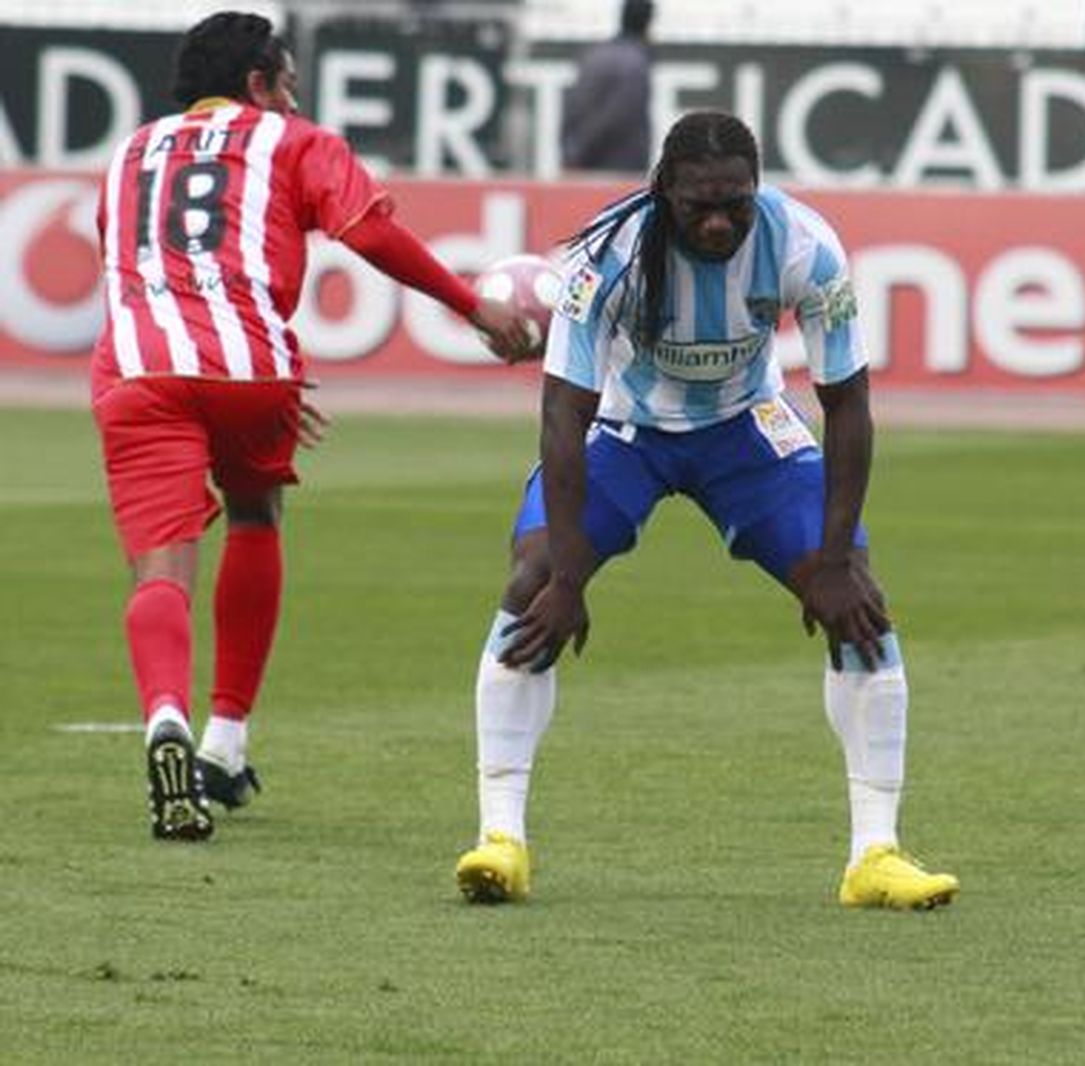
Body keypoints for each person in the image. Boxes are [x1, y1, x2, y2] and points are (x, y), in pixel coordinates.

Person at [453, 109, 959, 911]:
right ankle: (500, 839)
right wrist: (572, 579)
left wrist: (830, 561)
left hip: (743, 429)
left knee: (858, 597)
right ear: (664, 192)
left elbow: (849, 404)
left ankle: (876, 854)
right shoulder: (605, 258)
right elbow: (562, 414)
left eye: (737, 203)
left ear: (757, 191)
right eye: (699, 206)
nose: (720, 221)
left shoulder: (804, 247)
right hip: (627, 429)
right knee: (537, 577)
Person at [92, 11, 531, 841]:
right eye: (287, 84)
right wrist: (474, 306)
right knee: (256, 513)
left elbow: (142, 269)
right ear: (258, 83)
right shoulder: (291, 141)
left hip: (137, 372)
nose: (292, 99)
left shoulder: (126, 154)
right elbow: (368, 230)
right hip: (253, 371)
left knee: (161, 568)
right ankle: (225, 740)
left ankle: (164, 720)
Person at [560, 0, 654, 175]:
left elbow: (571, 108)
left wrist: (572, 152)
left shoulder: (593, 56)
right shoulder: (636, 63)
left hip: (584, 166)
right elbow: (617, 116)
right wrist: (580, 151)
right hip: (620, 168)